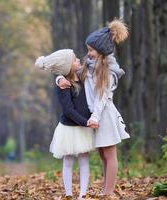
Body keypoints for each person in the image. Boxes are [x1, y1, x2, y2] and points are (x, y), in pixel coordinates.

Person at [56, 19, 130, 196]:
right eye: (88, 49)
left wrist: (95, 117)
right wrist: (59, 79)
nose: (88, 53)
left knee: (110, 154)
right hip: (93, 117)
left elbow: (103, 98)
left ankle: (108, 192)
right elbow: (69, 71)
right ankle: (105, 189)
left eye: (91, 50)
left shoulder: (109, 72)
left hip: (103, 115)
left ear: (102, 51)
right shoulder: (88, 66)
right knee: (103, 155)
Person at [35, 49, 98, 199]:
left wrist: (87, 122)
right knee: (68, 161)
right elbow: (68, 110)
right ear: (68, 66)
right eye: (75, 60)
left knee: (84, 161)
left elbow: (93, 64)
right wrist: (85, 122)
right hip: (69, 129)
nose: (78, 61)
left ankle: (82, 195)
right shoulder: (63, 85)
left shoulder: (83, 77)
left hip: (84, 128)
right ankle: (69, 194)